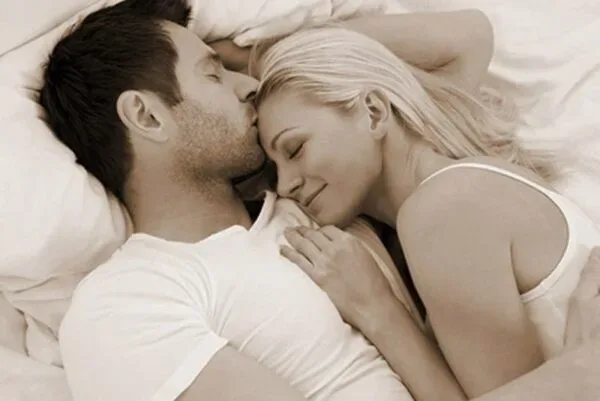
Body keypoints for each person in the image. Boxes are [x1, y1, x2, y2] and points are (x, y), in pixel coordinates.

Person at [40, 1, 467, 401]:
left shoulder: (318, 193)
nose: (250, 86)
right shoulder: (128, 302)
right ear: (146, 116)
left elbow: (463, 46)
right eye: (214, 74)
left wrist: (268, 58)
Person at [250, 20, 600, 399]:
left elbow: (469, 34)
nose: (285, 185)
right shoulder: (464, 185)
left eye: (295, 149)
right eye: (274, 171)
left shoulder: (444, 210)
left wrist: (377, 309)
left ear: (374, 112)